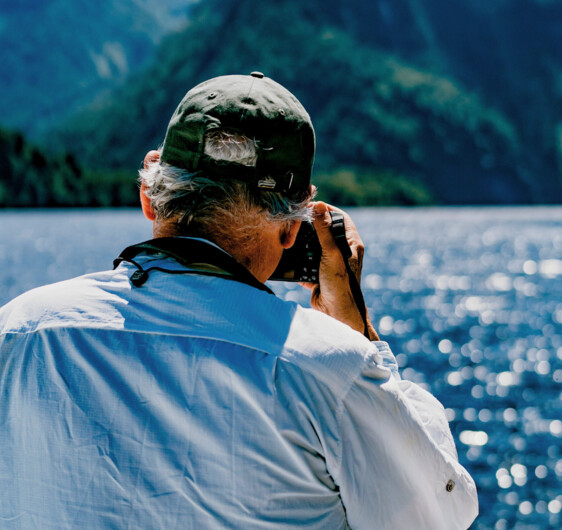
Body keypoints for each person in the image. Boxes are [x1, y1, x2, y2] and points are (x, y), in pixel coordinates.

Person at [0, 72, 478, 529]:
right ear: (291, 228)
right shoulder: (329, 367)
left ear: (149, 197)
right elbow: (439, 513)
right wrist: (357, 331)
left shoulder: (19, 330)